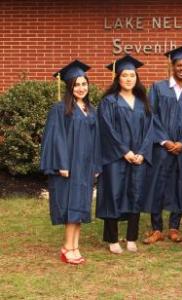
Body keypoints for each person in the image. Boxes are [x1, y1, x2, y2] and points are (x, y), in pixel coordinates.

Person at [40, 60, 101, 265]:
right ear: (69, 87)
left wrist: (95, 165)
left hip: (85, 166)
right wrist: (61, 164)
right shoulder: (60, 109)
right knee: (70, 206)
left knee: (81, 206)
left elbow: (96, 140)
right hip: (69, 166)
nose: (81, 88)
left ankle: (75, 246)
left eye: (84, 84)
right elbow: (54, 138)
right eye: (76, 84)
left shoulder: (91, 109)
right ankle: (67, 247)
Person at [141, 46, 182, 245]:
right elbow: (151, 116)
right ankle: (157, 228)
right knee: (157, 184)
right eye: (179, 65)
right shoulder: (158, 88)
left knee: (180, 184)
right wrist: (165, 141)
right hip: (161, 148)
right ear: (172, 66)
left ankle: (174, 227)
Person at [96, 54, 154, 254]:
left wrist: (142, 153)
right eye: (124, 75)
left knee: (135, 194)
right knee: (113, 193)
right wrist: (124, 152)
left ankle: (131, 238)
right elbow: (107, 130)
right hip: (115, 159)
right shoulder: (109, 102)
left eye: (132, 75)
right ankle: (112, 239)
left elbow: (150, 130)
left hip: (138, 158)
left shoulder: (143, 102)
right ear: (117, 78)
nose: (129, 79)